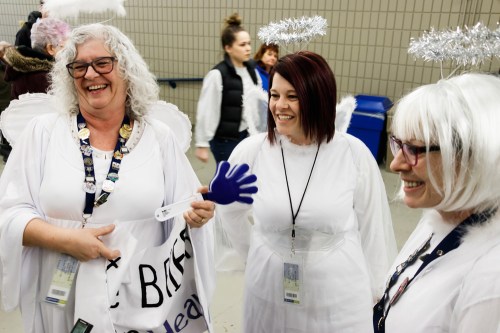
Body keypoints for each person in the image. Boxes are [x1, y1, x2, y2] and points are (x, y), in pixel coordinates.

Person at [0, 23, 215, 332]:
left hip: (140, 306)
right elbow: (9, 214)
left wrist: (197, 215)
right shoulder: (45, 133)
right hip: (61, 300)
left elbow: (183, 208)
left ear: (126, 69)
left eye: (103, 63)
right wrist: (66, 240)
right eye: (79, 67)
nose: (90, 75)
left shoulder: (158, 137)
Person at [217, 51, 397, 332]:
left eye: (292, 96)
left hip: (339, 300)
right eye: (274, 95)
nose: (279, 106)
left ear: (317, 98)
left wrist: (377, 293)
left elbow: (373, 229)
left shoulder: (352, 153)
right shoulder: (252, 151)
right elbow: (230, 214)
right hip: (267, 296)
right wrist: (258, 254)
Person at [373, 73, 500, 333]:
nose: (396, 164)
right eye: (398, 144)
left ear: (473, 157)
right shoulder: (440, 217)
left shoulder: (490, 276)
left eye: (415, 149)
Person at [195, 13, 264, 164]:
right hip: (224, 140)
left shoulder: (252, 70)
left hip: (246, 134)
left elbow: (257, 103)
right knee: (227, 178)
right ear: (228, 48)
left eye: (249, 43)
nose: (248, 48)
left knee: (243, 175)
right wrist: (202, 144)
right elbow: (207, 109)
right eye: (242, 45)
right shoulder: (218, 74)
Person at [1, 17, 71, 99]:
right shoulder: (48, 79)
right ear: (51, 48)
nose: (71, 50)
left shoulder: (22, 73)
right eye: (67, 45)